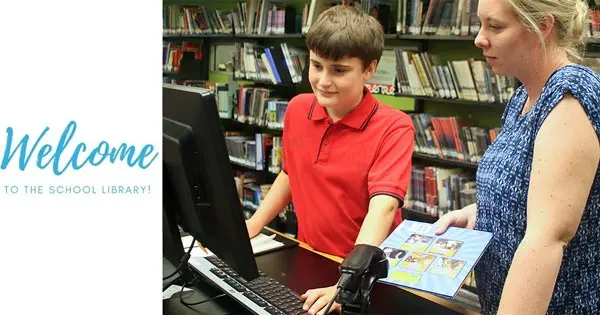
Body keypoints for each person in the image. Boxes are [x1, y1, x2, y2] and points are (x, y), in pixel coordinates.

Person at [244, 5, 415, 315]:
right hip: (311, 257)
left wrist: (347, 284)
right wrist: (253, 225)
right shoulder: (297, 109)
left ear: (368, 69)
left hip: (367, 273)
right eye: (316, 65)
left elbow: (385, 206)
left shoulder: (394, 127)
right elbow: (290, 174)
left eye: (338, 70)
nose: (323, 80)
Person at [435, 0, 600, 314]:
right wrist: (482, 211)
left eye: (495, 26)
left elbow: (547, 238)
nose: (479, 38)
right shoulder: (523, 94)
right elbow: (538, 191)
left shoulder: (571, 97)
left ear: (543, 25)